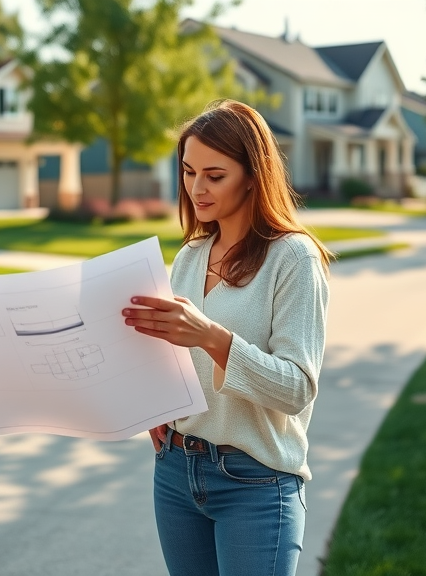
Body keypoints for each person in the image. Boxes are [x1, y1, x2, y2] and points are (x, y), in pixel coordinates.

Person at [122, 99, 332, 576]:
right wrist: (155, 403)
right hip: (176, 474)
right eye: (189, 171)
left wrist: (212, 337)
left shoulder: (293, 259)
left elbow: (297, 389)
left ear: (253, 176)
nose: (197, 188)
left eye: (215, 175)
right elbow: (169, 357)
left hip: (257, 481)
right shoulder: (191, 256)